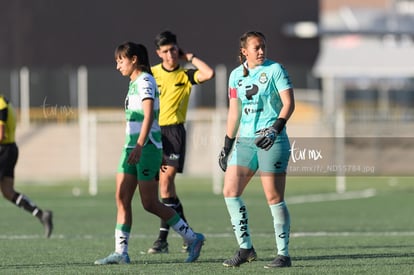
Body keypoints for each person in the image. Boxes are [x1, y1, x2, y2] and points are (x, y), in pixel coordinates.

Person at [94, 42, 205, 265]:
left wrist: (140, 145)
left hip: (145, 149)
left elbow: (148, 117)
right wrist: (132, 145)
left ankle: (192, 238)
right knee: (122, 198)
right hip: (131, 148)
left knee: (150, 203)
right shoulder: (134, 82)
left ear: (134, 59)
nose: (117, 66)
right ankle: (121, 252)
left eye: (120, 60)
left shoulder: (145, 80)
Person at [218, 31, 295, 269]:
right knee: (230, 191)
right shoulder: (234, 77)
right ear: (244, 51)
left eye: (263, 47)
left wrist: (275, 128)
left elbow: (289, 103)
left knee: (273, 196)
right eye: (256, 48)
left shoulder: (275, 70)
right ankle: (245, 248)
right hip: (245, 142)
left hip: (273, 140)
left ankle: (283, 254)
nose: (261, 51)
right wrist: (227, 145)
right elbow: (234, 113)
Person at [147, 30, 214, 254]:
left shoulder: (185, 75)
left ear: (178, 49)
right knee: (165, 190)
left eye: (173, 49)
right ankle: (186, 236)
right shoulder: (152, 73)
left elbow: (209, 73)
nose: (170, 54)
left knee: (166, 184)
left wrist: (191, 58)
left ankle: (164, 239)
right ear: (158, 53)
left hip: (174, 133)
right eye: (165, 51)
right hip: (154, 133)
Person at [0, 95, 53, 238]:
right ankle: (42, 215)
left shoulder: (1, 104)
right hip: (10, 149)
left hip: (3, 150)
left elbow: (0, 134)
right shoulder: (5, 101)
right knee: (7, 191)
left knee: (7, 191)